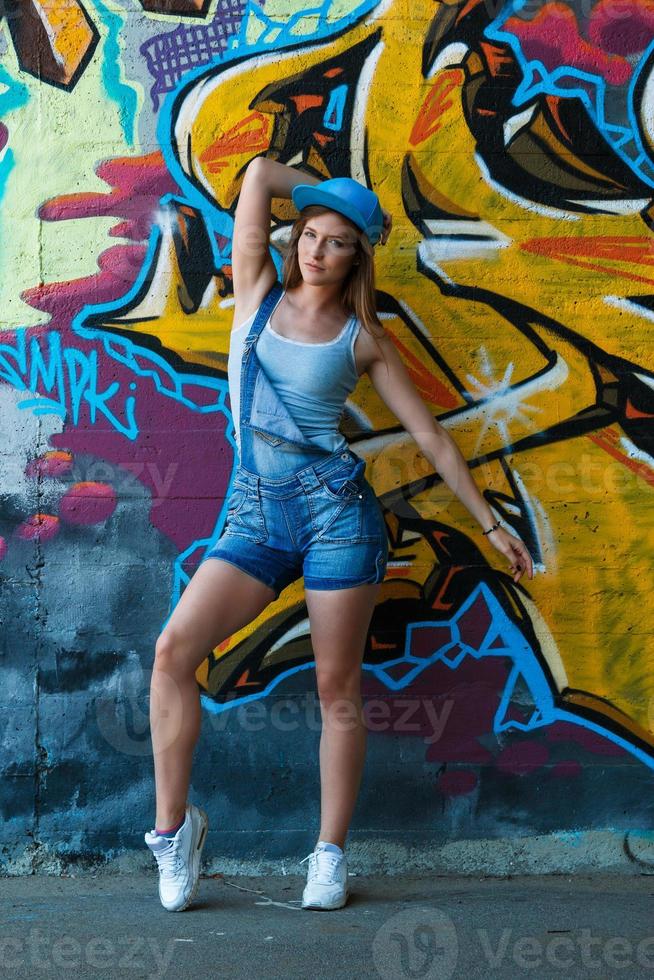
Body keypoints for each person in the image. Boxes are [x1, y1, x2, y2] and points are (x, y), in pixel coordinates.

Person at [144, 158, 534, 912]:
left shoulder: (364, 340)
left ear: (359, 255)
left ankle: (328, 854)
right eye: (311, 234)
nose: (317, 250)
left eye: (337, 241)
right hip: (256, 513)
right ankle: (174, 831)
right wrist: (324, 191)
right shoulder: (255, 290)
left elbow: (434, 442)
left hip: (336, 518)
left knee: (335, 688)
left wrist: (491, 526)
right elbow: (257, 174)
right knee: (173, 653)